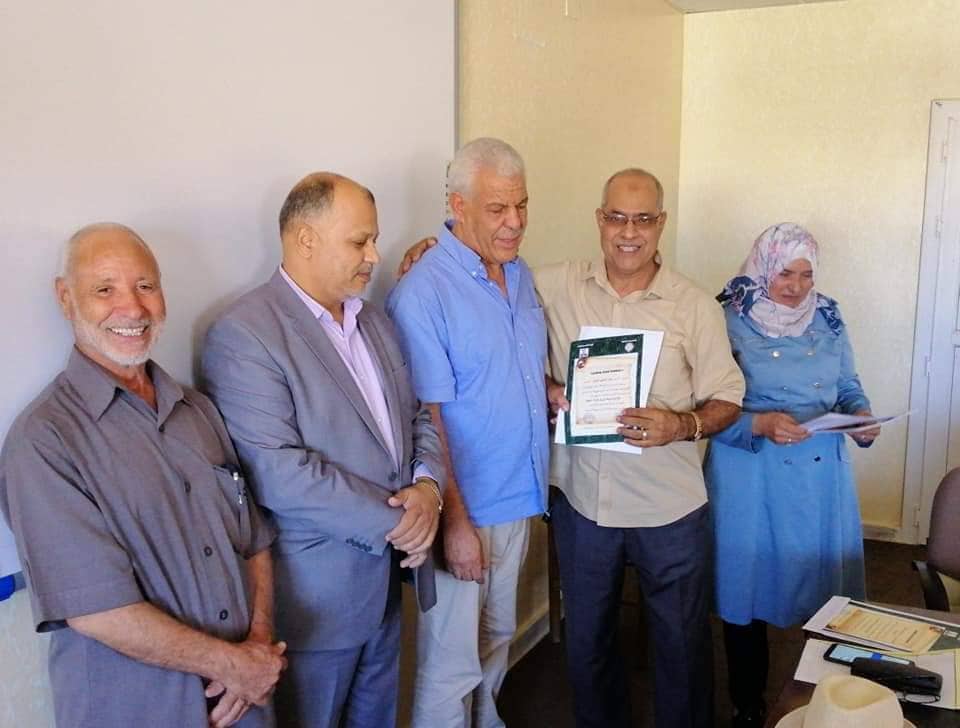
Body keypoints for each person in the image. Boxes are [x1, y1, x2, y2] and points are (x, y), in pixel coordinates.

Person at [0, 223, 285, 728]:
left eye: (145, 286)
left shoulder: (198, 410)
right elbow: (97, 611)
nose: (132, 308)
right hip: (139, 712)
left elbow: (255, 541)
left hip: (245, 701)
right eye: (104, 289)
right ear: (66, 298)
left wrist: (257, 646)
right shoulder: (43, 440)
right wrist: (234, 666)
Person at [202, 172, 444, 728]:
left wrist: (428, 489)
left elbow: (416, 417)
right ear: (305, 239)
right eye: (360, 241)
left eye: (374, 240)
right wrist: (401, 523)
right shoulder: (245, 334)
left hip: (388, 584)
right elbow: (278, 472)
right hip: (317, 603)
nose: (374, 255)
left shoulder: (373, 320)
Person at [537, 168, 745, 728]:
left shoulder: (693, 305)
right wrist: (432, 248)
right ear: (599, 220)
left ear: (662, 223)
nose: (629, 233)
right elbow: (488, 284)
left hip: (668, 508)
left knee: (681, 649)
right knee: (588, 646)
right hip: (583, 504)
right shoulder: (555, 286)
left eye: (644, 220)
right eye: (617, 218)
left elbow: (729, 398)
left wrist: (681, 425)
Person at [386, 137, 549, 728]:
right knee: (450, 664)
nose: (515, 222)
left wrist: (552, 392)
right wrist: (454, 523)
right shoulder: (423, 291)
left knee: (499, 636)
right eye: (498, 209)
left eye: (522, 205)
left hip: (518, 497)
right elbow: (427, 417)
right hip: (464, 509)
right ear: (458, 205)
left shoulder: (520, 274)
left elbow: (513, 371)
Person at [705, 222, 879, 727]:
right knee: (748, 585)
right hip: (750, 469)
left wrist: (861, 416)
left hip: (818, 473)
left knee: (824, 583)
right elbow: (703, 406)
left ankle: (831, 699)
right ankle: (747, 703)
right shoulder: (727, 317)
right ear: (763, 267)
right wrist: (757, 423)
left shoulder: (828, 315)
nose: (796, 286)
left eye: (806, 275)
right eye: (785, 273)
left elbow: (847, 383)